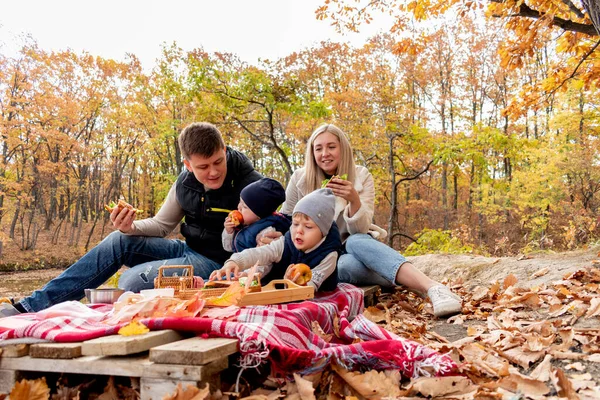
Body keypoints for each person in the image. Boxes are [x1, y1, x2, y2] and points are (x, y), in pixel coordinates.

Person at [0, 122, 262, 315]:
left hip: (219, 263)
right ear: (188, 164)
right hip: (189, 249)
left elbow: (273, 226)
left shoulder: (251, 183)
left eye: (218, 162)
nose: (213, 172)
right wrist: (131, 226)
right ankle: (30, 306)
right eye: (203, 167)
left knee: (130, 281)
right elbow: (162, 225)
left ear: (224, 150)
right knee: (119, 239)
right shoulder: (184, 183)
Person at [261, 123, 462, 317]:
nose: (325, 154)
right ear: (312, 153)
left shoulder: (361, 176)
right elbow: (287, 218)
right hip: (325, 258)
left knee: (357, 241)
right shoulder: (300, 179)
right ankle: (402, 278)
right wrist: (272, 234)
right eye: (318, 148)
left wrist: (353, 200)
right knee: (344, 266)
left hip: (354, 244)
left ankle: (433, 288)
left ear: (343, 149)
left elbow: (361, 228)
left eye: (332, 147)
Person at [211, 188, 341, 292]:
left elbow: (311, 287)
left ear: (323, 231)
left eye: (307, 227)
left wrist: (290, 282)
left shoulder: (329, 255)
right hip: (281, 286)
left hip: (313, 293)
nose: (299, 231)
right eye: (295, 224)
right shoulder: (286, 242)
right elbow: (261, 253)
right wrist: (235, 261)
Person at [222, 178, 290, 253]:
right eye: (240, 202)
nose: (239, 207)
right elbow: (228, 248)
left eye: (245, 207)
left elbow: (266, 259)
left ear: (259, 216)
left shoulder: (265, 232)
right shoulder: (244, 223)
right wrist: (229, 232)